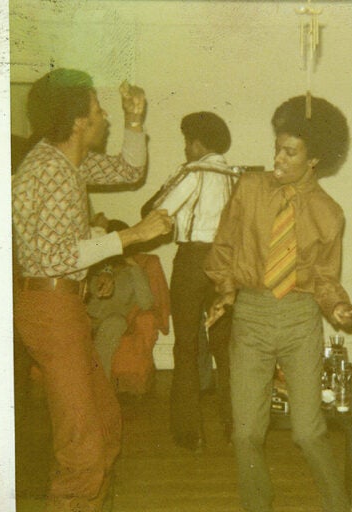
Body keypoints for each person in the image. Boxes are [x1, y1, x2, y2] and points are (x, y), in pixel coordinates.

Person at [12, 68, 172, 512]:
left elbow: (129, 170)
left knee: (104, 421)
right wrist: (133, 235)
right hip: (49, 307)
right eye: (99, 111)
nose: (104, 118)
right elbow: (58, 257)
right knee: (82, 442)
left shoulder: (67, 161)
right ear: (79, 121)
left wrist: (134, 119)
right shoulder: (53, 170)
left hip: (62, 303)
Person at [204, 95, 352, 512]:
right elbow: (223, 246)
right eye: (277, 146)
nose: (278, 157)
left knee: (308, 432)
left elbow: (325, 279)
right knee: (245, 433)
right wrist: (225, 290)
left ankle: (337, 505)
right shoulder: (250, 189)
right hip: (251, 317)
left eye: (290, 151)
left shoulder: (329, 213)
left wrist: (339, 308)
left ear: (314, 159)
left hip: (299, 319)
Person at [142, 111, 235, 451]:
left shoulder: (193, 172)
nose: (185, 148)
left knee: (186, 346)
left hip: (193, 261)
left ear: (196, 143)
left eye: (186, 142)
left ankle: (189, 432)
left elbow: (155, 214)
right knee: (227, 348)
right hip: (227, 263)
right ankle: (234, 425)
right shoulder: (236, 176)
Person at [86, 220, 155, 381]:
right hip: (87, 319)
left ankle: (99, 384)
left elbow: (147, 303)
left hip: (112, 322)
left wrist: (134, 266)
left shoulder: (133, 272)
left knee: (115, 322)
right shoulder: (94, 267)